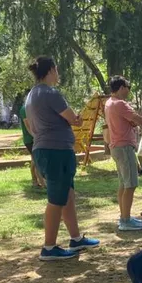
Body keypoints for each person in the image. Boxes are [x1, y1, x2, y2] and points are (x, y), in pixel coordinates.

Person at [25, 56, 99, 260]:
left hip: (48, 149)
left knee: (67, 195)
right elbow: (73, 118)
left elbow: (31, 126)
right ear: (50, 70)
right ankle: (49, 247)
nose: (58, 74)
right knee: (56, 199)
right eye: (57, 70)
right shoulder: (50, 93)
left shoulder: (32, 94)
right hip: (55, 151)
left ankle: (75, 239)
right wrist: (78, 120)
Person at [105, 76, 142, 231]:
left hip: (116, 146)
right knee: (131, 184)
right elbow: (138, 119)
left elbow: (129, 120)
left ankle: (124, 216)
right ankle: (125, 220)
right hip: (124, 147)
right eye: (128, 87)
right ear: (122, 87)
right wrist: (137, 119)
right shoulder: (120, 104)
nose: (129, 91)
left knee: (123, 183)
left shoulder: (109, 103)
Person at [19, 97, 45, 188]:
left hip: (36, 138)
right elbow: (28, 126)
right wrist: (36, 137)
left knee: (34, 160)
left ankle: (35, 182)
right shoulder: (24, 109)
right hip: (30, 139)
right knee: (37, 160)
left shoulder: (33, 108)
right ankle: (43, 183)